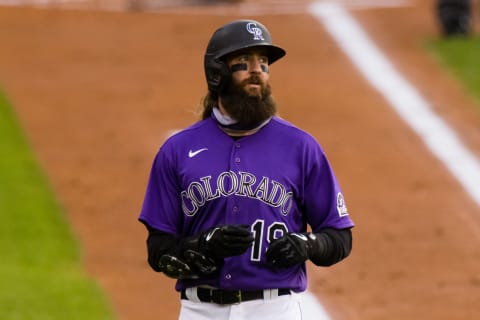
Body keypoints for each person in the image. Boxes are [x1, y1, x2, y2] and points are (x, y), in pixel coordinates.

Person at [138, 19, 354, 320]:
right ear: (217, 74)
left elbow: (339, 236)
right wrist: (203, 245)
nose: (257, 70)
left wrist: (307, 244)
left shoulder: (300, 147)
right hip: (200, 310)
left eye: (263, 63)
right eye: (244, 62)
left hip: (274, 309)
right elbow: (158, 250)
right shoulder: (177, 151)